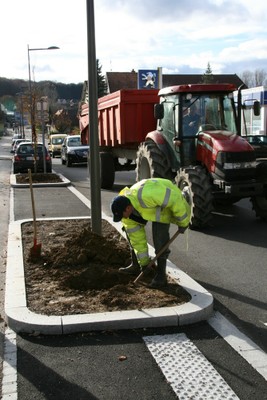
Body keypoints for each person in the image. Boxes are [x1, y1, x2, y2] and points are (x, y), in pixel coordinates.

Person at [110, 178, 191, 288]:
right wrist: (144, 264)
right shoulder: (126, 213)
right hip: (152, 207)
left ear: (128, 208)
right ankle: (136, 266)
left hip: (168, 201)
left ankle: (161, 277)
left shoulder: (147, 194)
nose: (122, 218)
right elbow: (137, 239)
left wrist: (183, 222)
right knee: (131, 234)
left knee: (160, 239)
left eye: (122, 215)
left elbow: (175, 200)